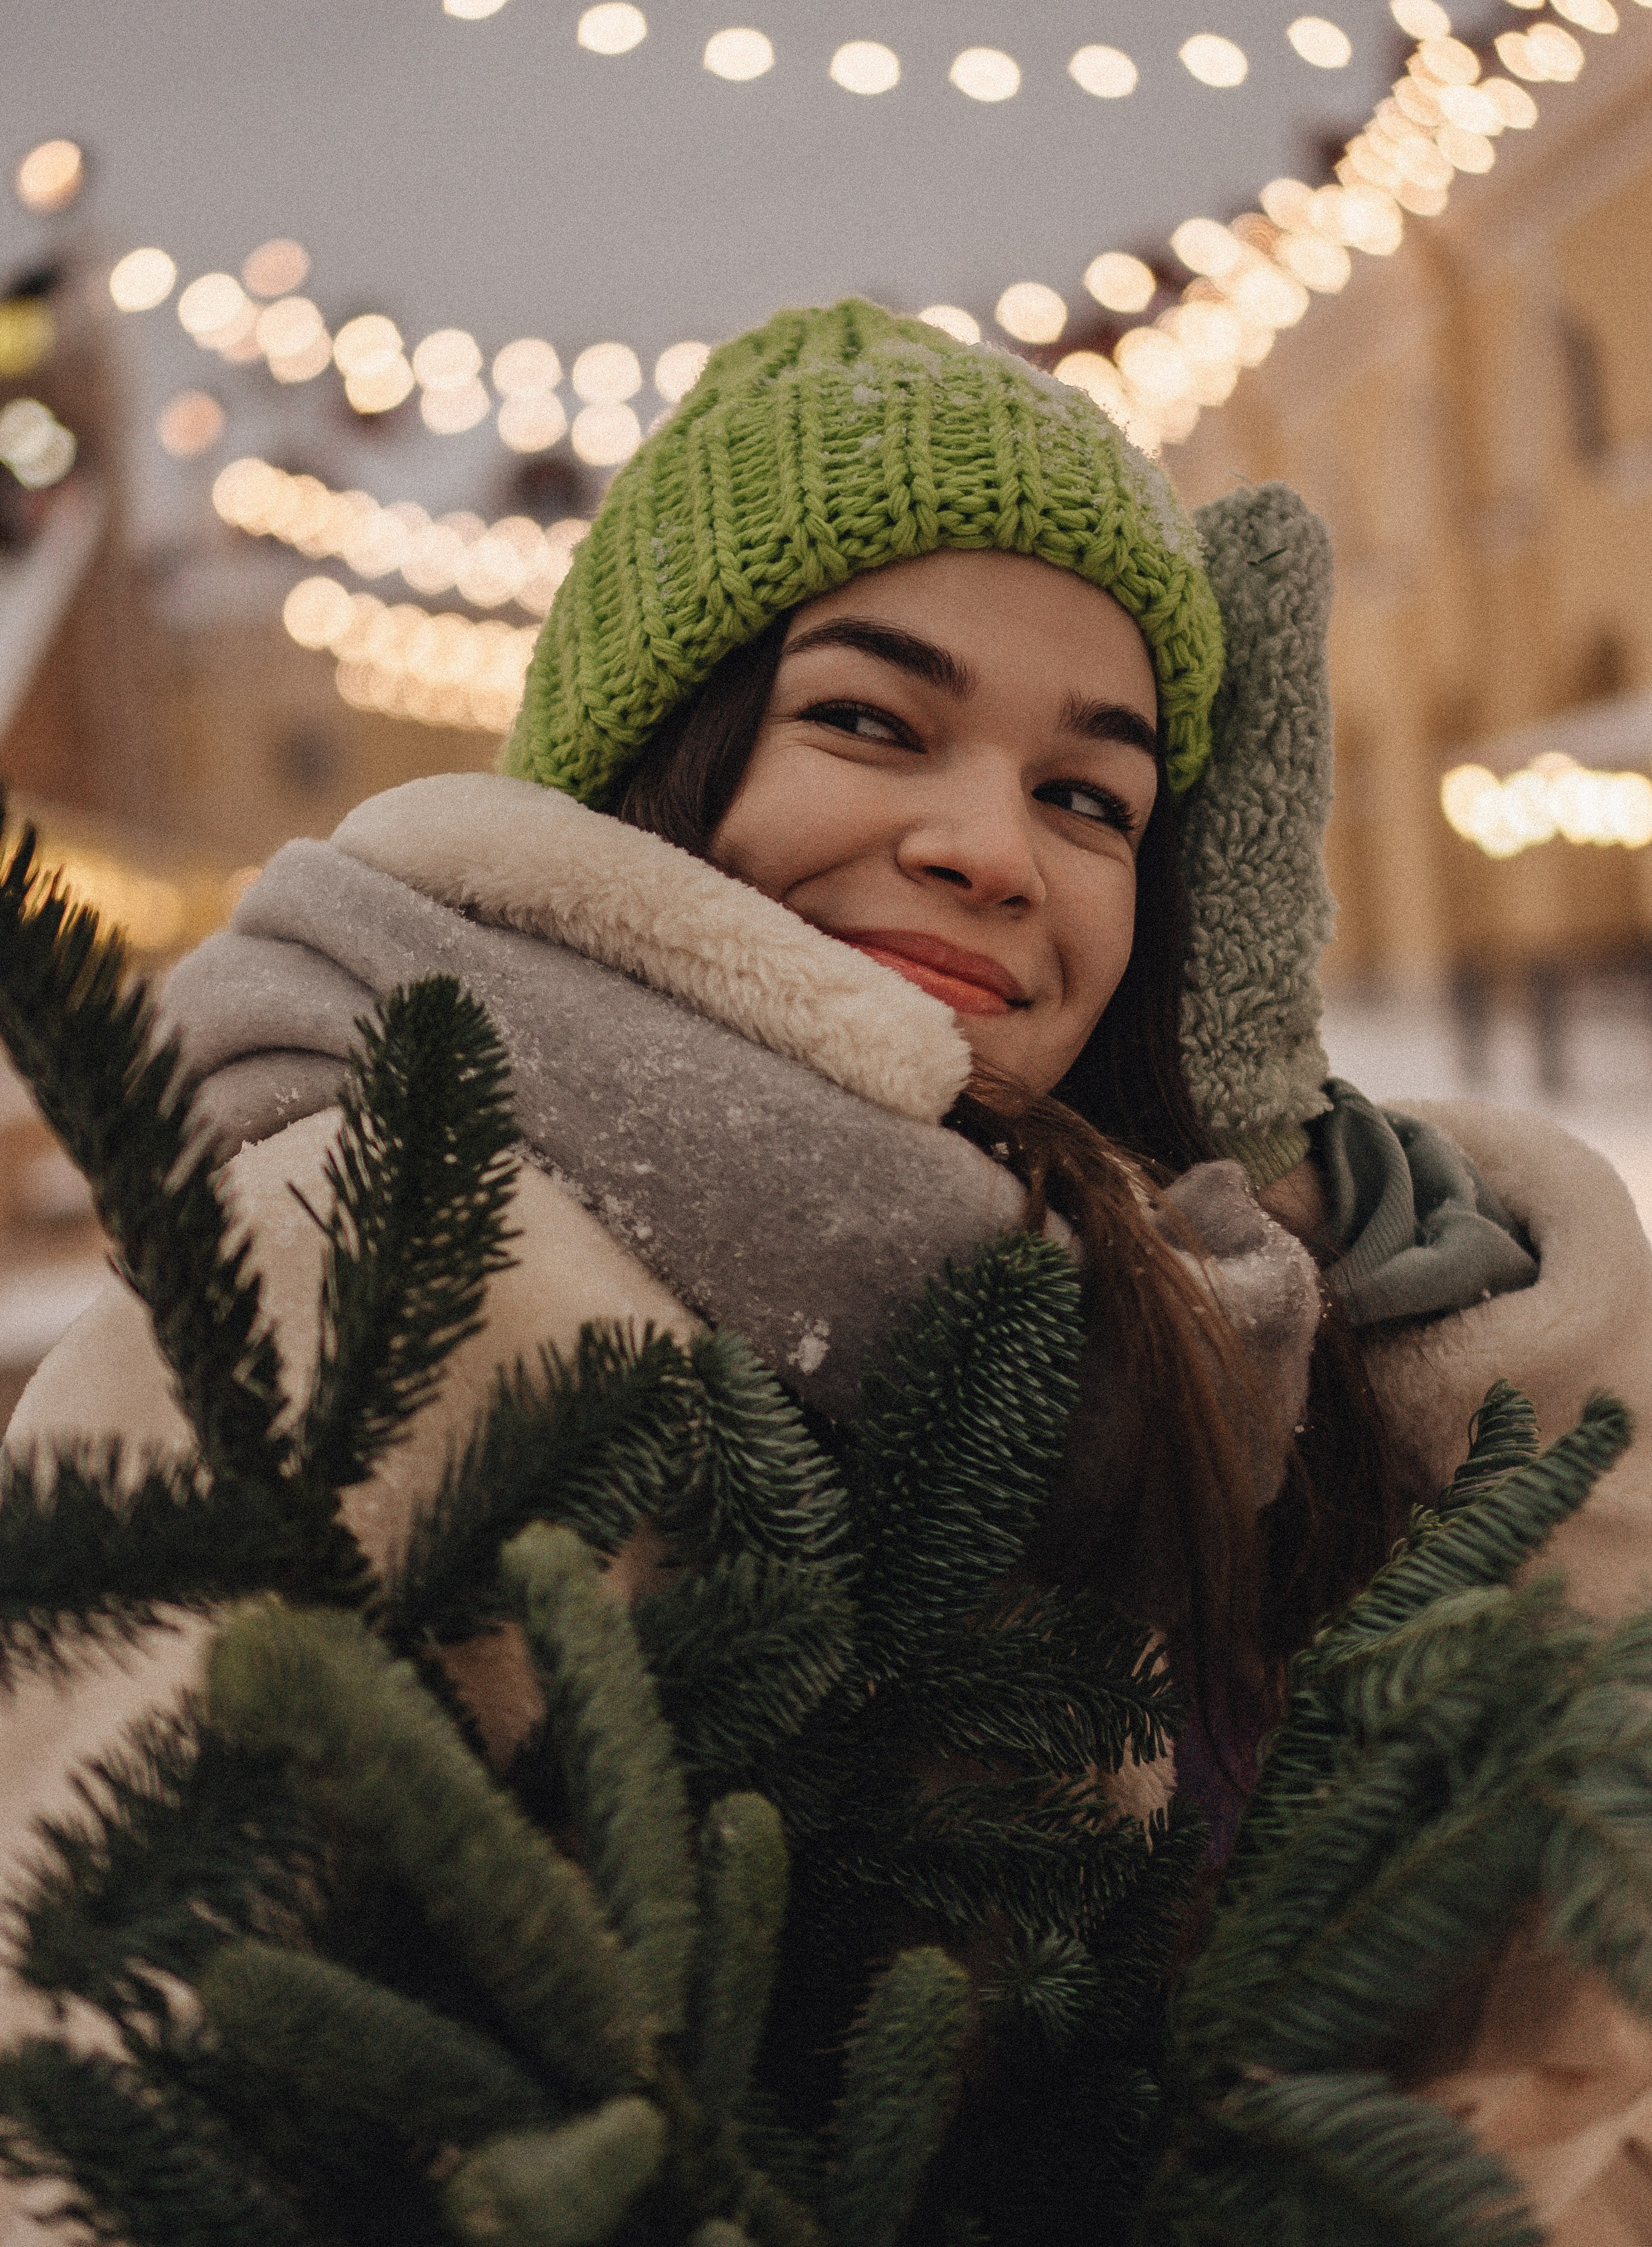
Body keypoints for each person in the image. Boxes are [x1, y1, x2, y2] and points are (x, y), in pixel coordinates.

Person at [5, 299, 1652, 2241]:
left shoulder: (1205, 1336)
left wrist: (1469, 1405)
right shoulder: (368, 1269)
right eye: (872, 721)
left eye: (1090, 796)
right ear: (655, 759)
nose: (991, 849)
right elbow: (105, 2123)